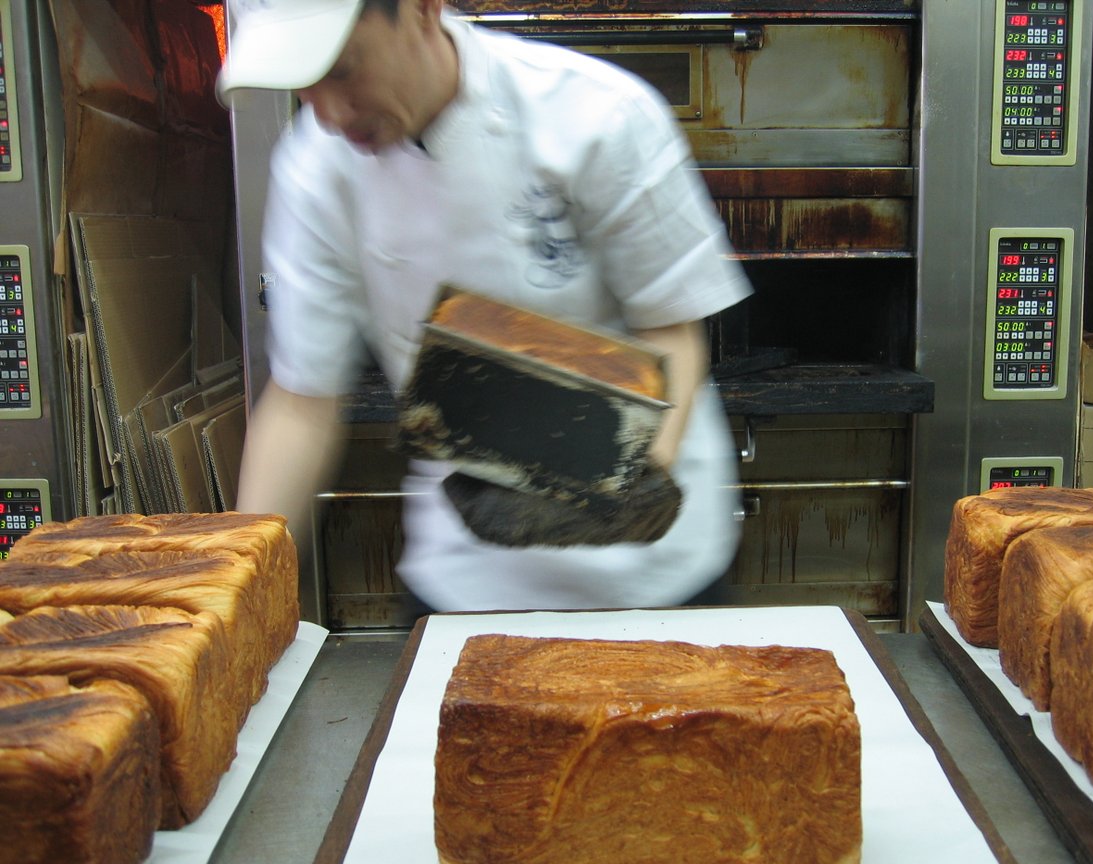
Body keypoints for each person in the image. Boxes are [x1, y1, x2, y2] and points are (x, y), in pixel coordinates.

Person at [217, 0, 753, 612]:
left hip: (648, 567)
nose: (332, 114)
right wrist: (240, 588)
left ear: (421, 10)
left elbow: (671, 329)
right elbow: (302, 402)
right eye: (305, 86)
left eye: (343, 70)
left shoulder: (593, 113)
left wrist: (627, 483)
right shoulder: (315, 171)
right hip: (470, 568)